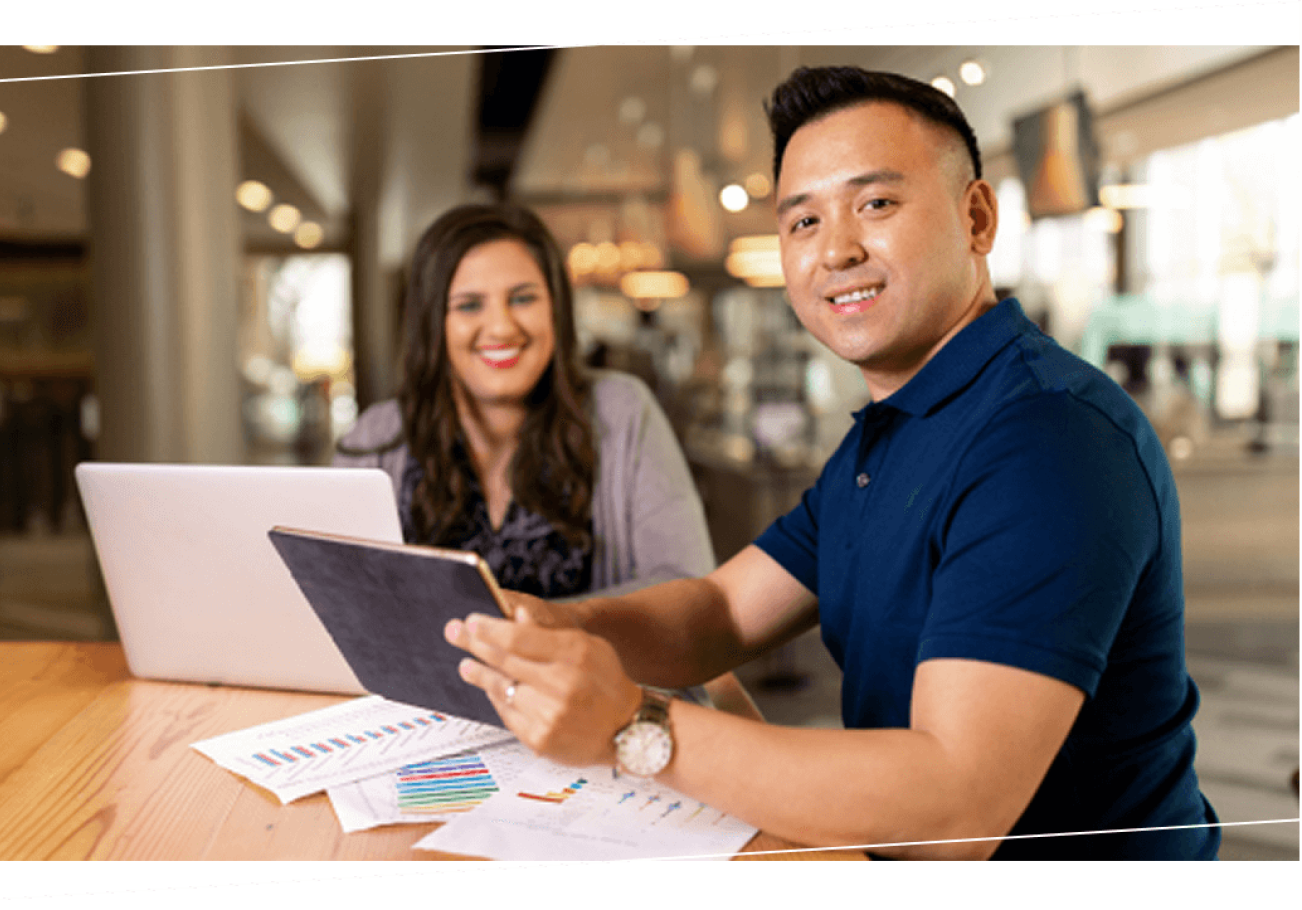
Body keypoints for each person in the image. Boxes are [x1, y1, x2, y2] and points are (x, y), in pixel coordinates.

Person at [444, 66, 1220, 860]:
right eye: (803, 222)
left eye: (876, 204)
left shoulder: (1049, 437)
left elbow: (957, 809)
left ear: (977, 217)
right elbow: (720, 613)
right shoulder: (888, 431)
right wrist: (557, 624)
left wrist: (631, 727)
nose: (836, 250)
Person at [335, 202, 758, 716]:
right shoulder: (376, 437)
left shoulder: (621, 411)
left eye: (523, 298)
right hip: (430, 721)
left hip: (595, 719)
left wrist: (538, 628)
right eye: (469, 305)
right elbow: (340, 602)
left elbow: (683, 588)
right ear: (432, 323)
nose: (501, 326)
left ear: (555, 309)